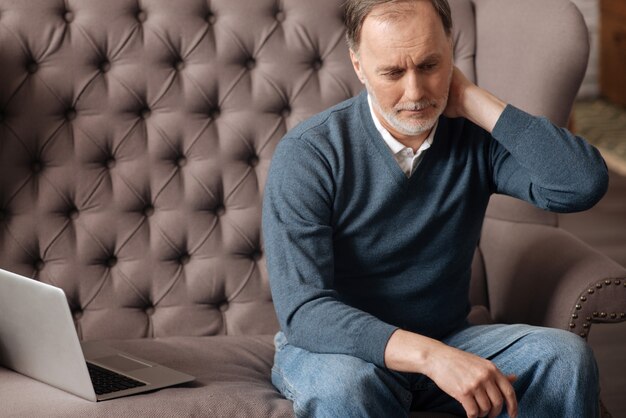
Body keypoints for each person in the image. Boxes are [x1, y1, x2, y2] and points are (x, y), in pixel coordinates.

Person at [262, 0, 606, 417]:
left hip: (449, 341)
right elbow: (305, 311)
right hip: (338, 353)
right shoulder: (309, 154)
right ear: (358, 66)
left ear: (452, 54)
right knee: (347, 387)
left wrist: (476, 101)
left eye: (429, 65)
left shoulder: (472, 139)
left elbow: (581, 185)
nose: (416, 93)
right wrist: (431, 357)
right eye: (392, 72)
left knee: (564, 358)